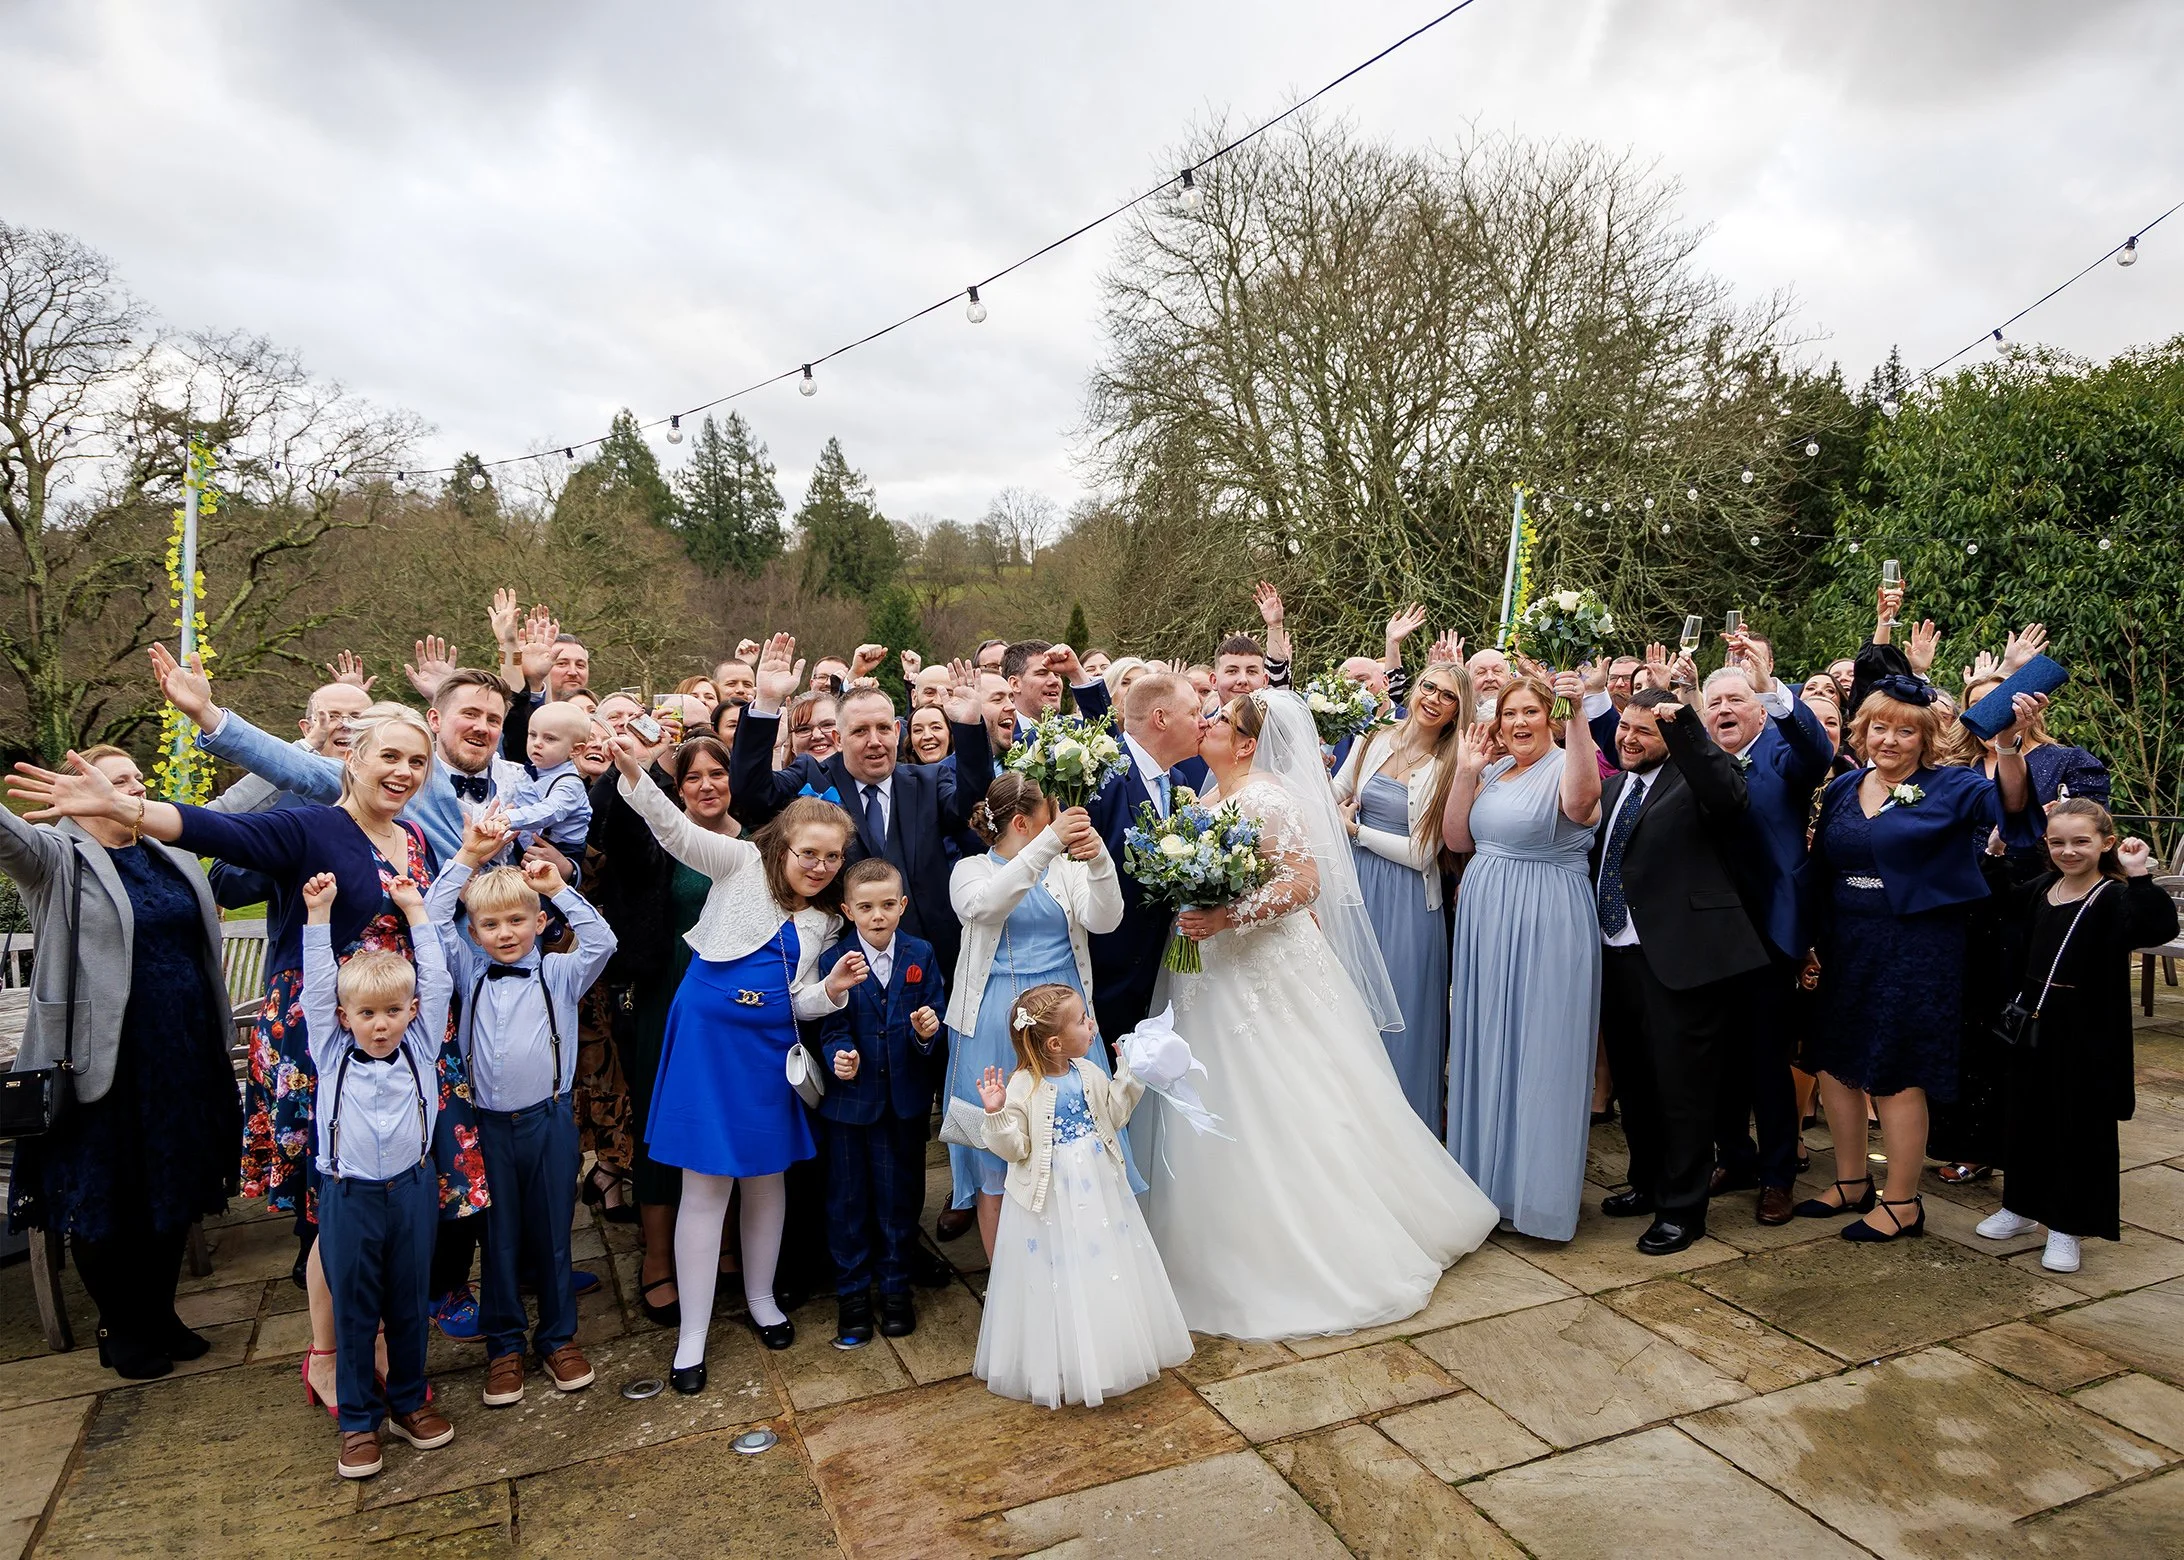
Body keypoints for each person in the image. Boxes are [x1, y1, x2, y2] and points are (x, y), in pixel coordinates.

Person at [7, 708, 493, 1397]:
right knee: (339, 1207)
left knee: (398, 1201)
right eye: (390, 756)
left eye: (417, 762)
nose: (404, 773)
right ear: (350, 759)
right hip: (322, 1047)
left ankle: (382, 1344)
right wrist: (129, 808)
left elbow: (427, 916)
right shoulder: (311, 826)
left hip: (405, 1045)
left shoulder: (412, 836)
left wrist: (469, 863)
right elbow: (218, 827)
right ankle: (330, 1355)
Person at [1145, 690, 1498, 1339]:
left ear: (1248, 742)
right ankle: (1209, 1238)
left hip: (1262, 969)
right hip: (1207, 971)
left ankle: (1311, 1246)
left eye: (1220, 719)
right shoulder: (1206, 795)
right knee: (1211, 1091)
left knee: (1284, 1096)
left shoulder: (1266, 797)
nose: (1208, 723)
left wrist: (1228, 915)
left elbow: (1305, 880)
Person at [609, 733, 857, 1386]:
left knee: (767, 1178)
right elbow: (673, 830)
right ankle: (691, 1337)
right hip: (708, 1043)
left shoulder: (825, 923)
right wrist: (636, 772)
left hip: (769, 1051)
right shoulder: (739, 862)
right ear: (785, 845)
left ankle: (761, 1299)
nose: (820, 866)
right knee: (705, 1184)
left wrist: (828, 994)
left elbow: (798, 999)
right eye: (810, 853)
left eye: (832, 857)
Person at [2, 746, 240, 1382]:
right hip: (101, 1062)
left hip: (182, 1054)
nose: (136, 789)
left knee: (173, 1187)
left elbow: (242, 806)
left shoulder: (166, 846)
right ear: (80, 794)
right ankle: (121, 1325)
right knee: (110, 1197)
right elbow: (8, 837)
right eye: (120, 780)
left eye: (140, 778)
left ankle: (160, 1314)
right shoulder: (56, 857)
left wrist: (316, 746)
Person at [1795, 677, 2044, 1241]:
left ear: (1926, 737)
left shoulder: (1953, 786)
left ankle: (1903, 1202)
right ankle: (1852, 1181)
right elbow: (1823, 867)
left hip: (1916, 947)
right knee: (1835, 1062)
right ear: (1861, 730)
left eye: (1905, 730)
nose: (1890, 740)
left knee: (1896, 1068)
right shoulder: (1844, 787)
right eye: (1879, 727)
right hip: (1845, 943)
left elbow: (2014, 812)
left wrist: (2007, 746)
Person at [425, 820, 617, 1407]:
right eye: (490, 924)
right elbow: (432, 920)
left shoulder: (560, 973)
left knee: (554, 1234)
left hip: (550, 1121)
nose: (505, 933)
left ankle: (558, 1337)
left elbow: (602, 940)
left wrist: (557, 888)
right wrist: (464, 862)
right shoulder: (466, 970)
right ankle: (504, 1344)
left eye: (517, 921)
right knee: (498, 1238)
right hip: (486, 1125)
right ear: (475, 931)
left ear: (538, 924)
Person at [1590, 691, 1769, 1255]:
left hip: (1680, 960)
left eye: (1645, 731)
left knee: (1682, 1091)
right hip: (1615, 956)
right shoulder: (1614, 788)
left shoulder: (1695, 781)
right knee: (1636, 1084)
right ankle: (1646, 1184)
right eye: (1625, 727)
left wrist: (1688, 726)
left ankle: (1684, 1209)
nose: (1629, 738)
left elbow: (1727, 792)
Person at [297, 870, 457, 1478]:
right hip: (349, 1195)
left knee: (410, 1301)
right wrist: (318, 918)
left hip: (413, 1189)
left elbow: (437, 978)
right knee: (357, 1308)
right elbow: (316, 990)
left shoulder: (421, 1045)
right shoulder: (332, 1049)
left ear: (412, 1012)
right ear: (345, 1017)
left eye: (393, 1011)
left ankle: (411, 1399)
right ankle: (359, 1420)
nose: (381, 1024)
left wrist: (416, 911)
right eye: (367, 1013)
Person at [1976, 803, 2177, 1272]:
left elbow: (2157, 927)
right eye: (2057, 842)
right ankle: (2021, 1205)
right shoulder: (2047, 887)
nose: (2068, 851)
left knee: (2077, 1125)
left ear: (2106, 842)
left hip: (2086, 1030)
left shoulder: (2114, 896)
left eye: (2080, 841)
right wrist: (1994, 853)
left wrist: (2140, 874)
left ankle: (2067, 1225)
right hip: (2034, 1021)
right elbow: (2001, 900)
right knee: (2024, 1114)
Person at [583, 732, 740, 1325]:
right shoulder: (659, 839)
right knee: (660, 1124)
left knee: (725, 1120)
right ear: (676, 786)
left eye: (717, 774)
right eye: (692, 776)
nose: (706, 786)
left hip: (734, 1003)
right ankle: (657, 1258)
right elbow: (613, 824)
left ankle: (725, 1243)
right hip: (666, 997)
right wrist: (640, 762)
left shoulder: (755, 844)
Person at [972, 984, 1191, 1407]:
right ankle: (1062, 1358)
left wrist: (1129, 1074)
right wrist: (997, 1113)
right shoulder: (1022, 1086)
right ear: (1055, 1042)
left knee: (1102, 1260)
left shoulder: (1089, 1071)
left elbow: (1113, 1116)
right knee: (1059, 1266)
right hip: (1049, 1194)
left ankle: (1110, 1350)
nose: (1091, 1025)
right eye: (1081, 1020)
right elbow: (1015, 1150)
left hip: (1098, 1182)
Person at [1443, 671, 1603, 1241]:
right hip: (1486, 919)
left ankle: (1537, 1196)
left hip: (1547, 916)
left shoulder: (1570, 763)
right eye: (1510, 714)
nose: (1518, 724)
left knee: (1541, 1046)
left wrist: (1580, 713)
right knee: (1488, 1042)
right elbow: (1458, 840)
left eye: (1530, 713)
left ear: (1551, 717)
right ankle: (1485, 1188)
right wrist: (1465, 771)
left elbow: (1582, 804)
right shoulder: (1490, 772)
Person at [944, 774, 1132, 1256]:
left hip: (1066, 1015)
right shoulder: (971, 869)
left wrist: (1099, 862)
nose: (1060, 828)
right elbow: (985, 907)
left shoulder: (1063, 870)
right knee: (1000, 1154)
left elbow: (1105, 920)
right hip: (995, 1020)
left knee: (1077, 1140)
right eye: (1051, 819)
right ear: (1026, 823)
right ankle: (1008, 1282)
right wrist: (1048, 845)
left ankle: (1080, 1265)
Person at [731, 635, 993, 978]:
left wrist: (971, 727)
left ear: (898, 732)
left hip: (930, 964)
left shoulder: (930, 782)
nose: (874, 741)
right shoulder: (813, 775)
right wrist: (765, 702)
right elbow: (751, 796)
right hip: (835, 968)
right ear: (838, 739)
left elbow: (975, 806)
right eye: (860, 731)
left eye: (884, 728)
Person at [1699, 641, 1836, 1226]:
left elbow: (1818, 748)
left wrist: (1773, 684)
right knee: (1718, 1057)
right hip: (1705, 928)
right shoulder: (1697, 755)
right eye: (1714, 702)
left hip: (1768, 930)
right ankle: (1735, 1155)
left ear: (1758, 710)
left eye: (1736, 699)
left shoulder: (1784, 753)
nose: (1724, 709)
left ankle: (1779, 1174)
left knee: (1765, 1059)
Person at [1333, 660, 1471, 1131]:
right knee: (1348, 1005)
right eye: (1429, 687)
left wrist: (1356, 831)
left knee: (1402, 1013)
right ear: (1414, 689)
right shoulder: (1374, 738)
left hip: (1409, 902)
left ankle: (1401, 1131)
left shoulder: (1449, 764)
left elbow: (1423, 853)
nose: (1433, 698)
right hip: (1356, 888)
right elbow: (1336, 791)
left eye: (1447, 695)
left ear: (1457, 711)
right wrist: (1334, 809)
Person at [815, 860, 948, 1345]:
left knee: (900, 1198)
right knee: (847, 1202)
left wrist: (925, 1033)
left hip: (905, 1101)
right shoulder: (836, 958)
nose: (878, 916)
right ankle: (851, 1295)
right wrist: (838, 1057)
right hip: (851, 1104)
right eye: (866, 907)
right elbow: (827, 1023)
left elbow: (933, 1010)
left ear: (902, 905)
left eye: (888, 905)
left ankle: (895, 1291)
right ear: (848, 910)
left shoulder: (921, 953)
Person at [1083, 672, 1212, 1042]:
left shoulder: (1177, 782)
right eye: (1194, 712)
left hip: (1156, 968)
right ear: (1161, 719)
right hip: (1106, 971)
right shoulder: (1104, 778)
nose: (1202, 721)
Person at [494, 701, 594, 866]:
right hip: (528, 838)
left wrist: (509, 818)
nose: (537, 743)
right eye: (533, 735)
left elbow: (549, 811)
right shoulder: (531, 770)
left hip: (561, 848)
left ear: (575, 750)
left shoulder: (570, 784)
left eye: (550, 738)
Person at [1000, 641, 1113, 741]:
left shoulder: (1081, 732)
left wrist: (1076, 672)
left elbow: (1111, 738)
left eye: (1057, 674)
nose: (1054, 681)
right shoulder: (999, 736)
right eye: (1042, 674)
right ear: (1015, 684)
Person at [1465, 648, 1513, 717]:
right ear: (1468, 681)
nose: (1490, 678)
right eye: (1481, 672)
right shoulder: (1459, 719)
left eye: (1497, 671)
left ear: (1510, 679)